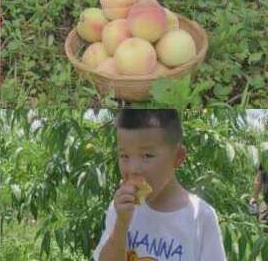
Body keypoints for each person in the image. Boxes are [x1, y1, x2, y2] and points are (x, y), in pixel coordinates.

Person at [94, 109, 226, 261]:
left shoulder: (201, 217)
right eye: (124, 156)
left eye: (147, 156)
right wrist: (122, 224)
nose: (133, 169)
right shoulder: (121, 209)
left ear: (178, 157)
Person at [250, 147, 268, 222]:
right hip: (266, 200)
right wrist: (254, 198)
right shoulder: (266, 155)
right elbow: (258, 179)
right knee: (259, 224)